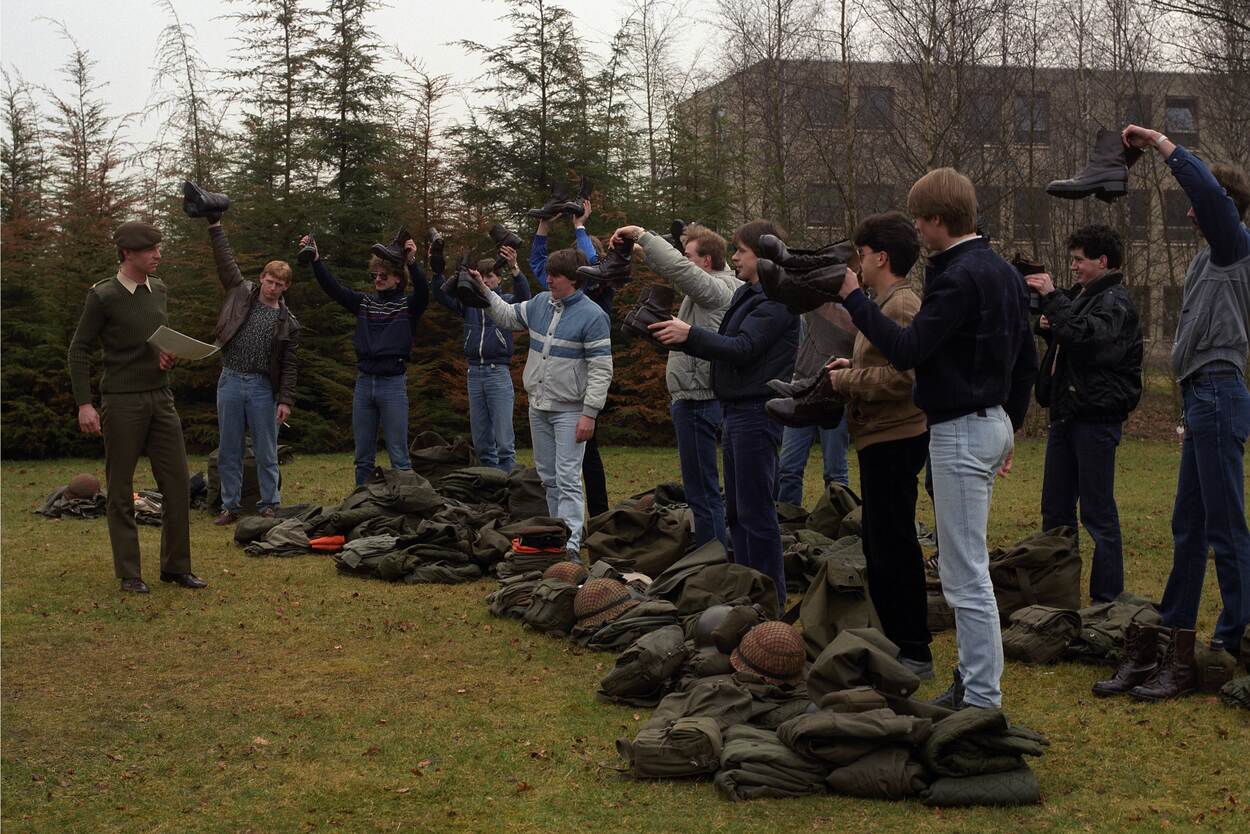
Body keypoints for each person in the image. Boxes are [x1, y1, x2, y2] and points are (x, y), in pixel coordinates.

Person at [836, 169, 1037, 709]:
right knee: (964, 568)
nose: (919, 232)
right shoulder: (1002, 273)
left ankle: (980, 698)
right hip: (988, 421)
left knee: (965, 574)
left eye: (922, 220)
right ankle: (973, 685)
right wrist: (1009, 425)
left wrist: (855, 300)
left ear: (939, 220)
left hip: (960, 430)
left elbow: (906, 350)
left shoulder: (956, 277)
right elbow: (1027, 361)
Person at [1106, 124, 1250, 700]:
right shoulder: (1202, 261)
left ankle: (1234, 641)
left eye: (1197, 206)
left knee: (1224, 527)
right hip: (1200, 399)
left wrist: (1163, 143)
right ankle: (1175, 644)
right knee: (1186, 527)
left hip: (1220, 393)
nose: (1188, 215)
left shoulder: (1234, 245)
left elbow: (1208, 198)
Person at [650, 220, 801, 606]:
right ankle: (747, 595)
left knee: (756, 514)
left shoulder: (777, 299)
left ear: (764, 255)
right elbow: (731, 345)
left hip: (756, 413)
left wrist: (691, 336)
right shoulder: (750, 294)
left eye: (741, 251)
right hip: (737, 412)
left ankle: (769, 601)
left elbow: (744, 347)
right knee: (737, 513)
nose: (733, 258)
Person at [68, 221, 205, 593]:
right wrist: (85, 404)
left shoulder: (159, 289)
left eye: (159, 248)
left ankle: (176, 568)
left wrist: (165, 356)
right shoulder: (104, 296)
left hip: (161, 398)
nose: (158, 255)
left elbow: (154, 341)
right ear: (128, 253)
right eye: (150, 249)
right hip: (122, 402)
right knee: (120, 488)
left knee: (177, 484)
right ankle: (130, 573)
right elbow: (78, 349)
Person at [824, 211, 931, 677]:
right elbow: (885, 359)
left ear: (882, 257)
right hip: (878, 436)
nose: (858, 263)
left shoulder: (901, 305)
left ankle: (913, 647)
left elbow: (905, 376)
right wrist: (851, 360)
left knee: (894, 544)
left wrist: (846, 379)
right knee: (880, 542)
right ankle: (894, 637)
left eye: (863, 255)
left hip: (896, 436)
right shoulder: (884, 302)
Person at [1026, 224, 1142, 603]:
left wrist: (1053, 300)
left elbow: (1091, 341)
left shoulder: (1115, 303)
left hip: (1095, 420)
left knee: (1097, 514)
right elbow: (1074, 337)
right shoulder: (1084, 297)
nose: (1073, 267)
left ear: (1102, 261)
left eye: (1079, 260)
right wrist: (1049, 326)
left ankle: (1106, 601)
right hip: (1067, 415)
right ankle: (1057, 596)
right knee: (1055, 512)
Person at [477, 247, 613, 557]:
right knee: (548, 477)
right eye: (548, 273)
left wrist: (589, 414)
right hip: (538, 407)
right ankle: (555, 537)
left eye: (555, 275)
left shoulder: (593, 316)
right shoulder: (541, 304)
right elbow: (506, 315)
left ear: (575, 280)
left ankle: (572, 545)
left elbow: (601, 370)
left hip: (571, 411)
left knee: (567, 478)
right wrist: (482, 289)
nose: (547, 279)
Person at [617, 222, 742, 548]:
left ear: (706, 262)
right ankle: (716, 553)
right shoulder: (716, 286)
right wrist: (640, 252)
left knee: (702, 491)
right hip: (696, 399)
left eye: (689, 256)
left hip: (699, 402)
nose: (684, 261)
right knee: (707, 489)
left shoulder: (715, 290)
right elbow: (678, 268)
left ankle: (709, 561)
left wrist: (643, 233)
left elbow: (679, 270)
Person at [300, 233, 429, 486]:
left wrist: (412, 261)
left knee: (399, 457)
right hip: (364, 383)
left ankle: (406, 503)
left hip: (392, 384)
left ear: (397, 279)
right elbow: (334, 289)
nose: (378, 279)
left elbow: (424, 291)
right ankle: (361, 506)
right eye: (375, 275)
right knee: (362, 457)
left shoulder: (408, 305)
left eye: (383, 275)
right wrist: (316, 260)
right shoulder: (364, 303)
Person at [206, 217, 300, 525]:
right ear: (262, 278)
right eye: (270, 281)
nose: (273, 288)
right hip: (230, 379)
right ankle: (229, 506)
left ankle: (269, 503)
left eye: (280, 285)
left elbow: (289, 365)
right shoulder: (240, 292)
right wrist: (216, 225)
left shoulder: (288, 322)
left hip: (262, 388)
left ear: (286, 288)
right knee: (229, 448)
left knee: (266, 450)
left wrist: (285, 401)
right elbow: (225, 261)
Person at [531, 199, 611, 517]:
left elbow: (590, 263)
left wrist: (580, 226)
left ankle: (600, 514)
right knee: (575, 461)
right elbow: (539, 265)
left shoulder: (599, 287)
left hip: (589, 377)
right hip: (562, 385)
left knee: (587, 456)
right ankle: (577, 518)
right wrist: (544, 225)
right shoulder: (558, 293)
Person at [430, 245, 531, 472]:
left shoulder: (506, 302)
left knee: (504, 442)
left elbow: (526, 299)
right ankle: (490, 487)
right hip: (474, 372)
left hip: (498, 372)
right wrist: (440, 272)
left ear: (498, 278)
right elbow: (440, 295)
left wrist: (516, 269)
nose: (485, 280)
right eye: (482, 277)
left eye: (490, 276)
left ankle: (510, 488)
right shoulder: (469, 304)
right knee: (482, 442)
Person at [776, 309, 853, 507]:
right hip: (803, 390)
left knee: (835, 473)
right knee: (788, 467)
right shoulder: (823, 301)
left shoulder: (866, 310)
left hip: (836, 397)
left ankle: (837, 520)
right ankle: (788, 519)